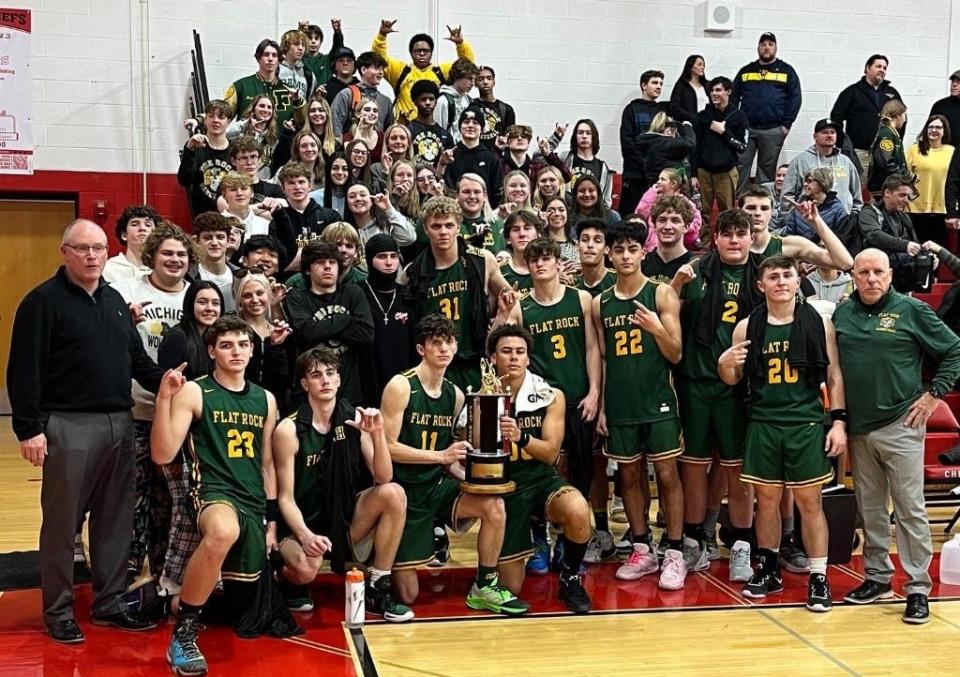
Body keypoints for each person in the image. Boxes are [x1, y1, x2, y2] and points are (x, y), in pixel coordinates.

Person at [7, 219, 163, 643]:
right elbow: (23, 371)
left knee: (115, 520)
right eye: (82, 249)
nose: (92, 256)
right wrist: (29, 429)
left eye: (97, 248)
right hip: (68, 425)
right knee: (62, 524)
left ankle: (110, 603)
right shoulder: (42, 302)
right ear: (65, 252)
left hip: (120, 422)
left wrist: (172, 380)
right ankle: (57, 610)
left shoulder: (114, 301)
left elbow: (138, 362)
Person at [834, 248, 960, 624]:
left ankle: (918, 587)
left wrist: (933, 393)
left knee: (909, 509)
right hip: (859, 427)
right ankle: (876, 577)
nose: (871, 279)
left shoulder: (911, 310)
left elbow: (955, 349)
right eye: (864, 272)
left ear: (890, 275)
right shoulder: (843, 312)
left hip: (902, 424)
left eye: (878, 272)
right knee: (871, 510)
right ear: (853, 275)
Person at [151, 316, 279, 674]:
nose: (236, 351)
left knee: (248, 607)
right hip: (212, 492)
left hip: (252, 499)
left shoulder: (265, 400)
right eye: (226, 345)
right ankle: (183, 636)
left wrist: (271, 521)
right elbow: (162, 454)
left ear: (253, 350)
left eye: (242, 344)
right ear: (212, 351)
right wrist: (163, 399)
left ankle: (178, 601)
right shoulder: (196, 391)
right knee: (223, 531)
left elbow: (267, 465)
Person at [718, 255, 847, 611]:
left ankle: (818, 576)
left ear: (796, 280)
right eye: (772, 276)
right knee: (768, 502)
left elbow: (833, 376)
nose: (780, 282)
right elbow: (732, 379)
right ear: (761, 285)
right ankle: (770, 566)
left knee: (810, 503)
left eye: (787, 275)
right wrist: (723, 365)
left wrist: (838, 421)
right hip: (762, 422)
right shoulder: (747, 326)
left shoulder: (818, 323)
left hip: (804, 424)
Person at [380, 315, 530, 614]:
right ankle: (383, 550)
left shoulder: (456, 394)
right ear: (422, 349)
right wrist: (441, 457)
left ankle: (484, 585)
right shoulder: (401, 386)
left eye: (449, 342)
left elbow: (452, 451)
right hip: (404, 491)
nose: (444, 349)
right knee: (407, 594)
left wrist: (470, 476)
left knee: (494, 504)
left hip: (437, 485)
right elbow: (388, 447)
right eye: (436, 343)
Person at [274, 346, 412, 621]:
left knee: (394, 494)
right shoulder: (289, 429)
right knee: (305, 569)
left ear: (339, 379)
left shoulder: (353, 418)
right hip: (300, 526)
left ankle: (378, 586)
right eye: (316, 375)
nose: (325, 380)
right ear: (305, 384)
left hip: (344, 521)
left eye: (330, 373)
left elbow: (383, 477)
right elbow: (285, 498)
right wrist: (305, 535)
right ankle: (284, 580)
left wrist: (377, 435)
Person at [493, 238, 602, 566]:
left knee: (580, 472)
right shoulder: (520, 306)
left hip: (579, 398)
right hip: (538, 403)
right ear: (527, 266)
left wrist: (595, 390)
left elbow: (592, 348)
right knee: (542, 468)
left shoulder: (581, 299)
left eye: (546, 259)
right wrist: (500, 312)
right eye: (534, 260)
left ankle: (570, 543)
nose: (540, 264)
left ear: (558, 263)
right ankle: (539, 537)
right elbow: (497, 346)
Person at [591, 219, 687, 589]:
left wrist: (656, 329)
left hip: (658, 400)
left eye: (633, 249)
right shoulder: (601, 303)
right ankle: (642, 547)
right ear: (609, 254)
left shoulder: (661, 295)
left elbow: (676, 353)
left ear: (643, 252)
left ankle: (675, 551)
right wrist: (599, 404)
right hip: (620, 403)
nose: (626, 255)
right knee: (628, 476)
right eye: (619, 249)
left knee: (666, 475)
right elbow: (599, 357)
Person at [675, 210, 764, 583]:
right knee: (694, 467)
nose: (733, 240)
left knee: (737, 470)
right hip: (695, 383)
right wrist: (676, 287)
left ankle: (742, 543)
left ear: (750, 238)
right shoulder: (695, 272)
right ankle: (696, 539)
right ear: (715, 238)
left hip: (740, 391)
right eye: (726, 234)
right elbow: (668, 315)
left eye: (739, 234)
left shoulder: (763, 276)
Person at [485, 323, 594, 613]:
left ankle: (570, 576)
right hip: (503, 487)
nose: (513, 358)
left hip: (540, 478)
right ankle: (519, 548)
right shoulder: (482, 395)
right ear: (493, 358)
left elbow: (549, 453)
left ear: (529, 359)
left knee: (579, 510)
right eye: (506, 351)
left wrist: (521, 436)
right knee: (511, 587)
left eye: (520, 352)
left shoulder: (550, 395)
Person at [111, 223, 197, 583]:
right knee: (132, 493)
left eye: (181, 254)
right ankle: (127, 568)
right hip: (138, 407)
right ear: (152, 256)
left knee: (170, 497)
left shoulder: (195, 295)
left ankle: (164, 570)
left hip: (180, 415)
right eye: (167, 253)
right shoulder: (127, 291)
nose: (175, 260)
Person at [401, 195, 515, 393]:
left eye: (449, 225)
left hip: (474, 360)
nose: (443, 232)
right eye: (436, 226)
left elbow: (511, 302)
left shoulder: (482, 260)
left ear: (458, 227)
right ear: (426, 229)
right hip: (433, 363)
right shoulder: (412, 273)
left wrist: (504, 312)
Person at [155, 281, 224, 596]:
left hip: (207, 439)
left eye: (215, 302)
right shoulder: (178, 337)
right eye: (202, 302)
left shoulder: (220, 341)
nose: (209, 308)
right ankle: (170, 581)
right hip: (179, 438)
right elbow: (167, 388)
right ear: (189, 304)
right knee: (185, 509)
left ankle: (203, 576)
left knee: (201, 510)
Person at [284, 240, 375, 406]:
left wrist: (321, 327)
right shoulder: (298, 297)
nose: (327, 267)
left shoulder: (352, 292)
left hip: (350, 393)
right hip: (310, 395)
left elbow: (366, 334)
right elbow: (306, 333)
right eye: (320, 262)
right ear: (307, 269)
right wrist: (346, 319)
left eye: (332, 262)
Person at [732, 32, 802, 192]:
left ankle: (761, 204)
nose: (766, 47)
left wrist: (786, 125)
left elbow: (795, 99)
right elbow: (734, 97)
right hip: (746, 130)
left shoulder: (786, 71)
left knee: (766, 171)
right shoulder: (746, 71)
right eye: (763, 44)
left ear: (776, 48)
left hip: (773, 129)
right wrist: (735, 123)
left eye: (770, 44)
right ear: (758, 48)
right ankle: (739, 205)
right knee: (740, 167)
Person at [373, 19, 477, 123]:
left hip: (432, 128)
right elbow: (379, 59)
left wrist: (460, 44)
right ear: (411, 53)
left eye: (426, 51)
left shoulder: (441, 72)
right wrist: (382, 36)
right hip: (404, 130)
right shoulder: (401, 71)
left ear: (431, 53)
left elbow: (467, 66)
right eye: (417, 51)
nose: (422, 54)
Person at [740, 184, 853, 271]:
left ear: (772, 212)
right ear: (739, 211)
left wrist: (816, 222)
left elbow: (845, 263)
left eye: (764, 208)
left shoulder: (789, 245)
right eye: (751, 208)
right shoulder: (729, 245)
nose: (757, 213)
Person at [359, 234, 418, 400]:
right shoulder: (357, 292)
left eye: (393, 256)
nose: (389, 262)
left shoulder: (407, 295)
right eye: (381, 257)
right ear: (370, 259)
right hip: (369, 379)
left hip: (403, 379)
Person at [831, 54, 904, 187]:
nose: (882, 70)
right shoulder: (852, 92)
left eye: (885, 67)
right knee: (859, 188)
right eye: (878, 66)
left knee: (883, 189)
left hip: (884, 154)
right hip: (859, 152)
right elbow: (836, 117)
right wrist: (843, 143)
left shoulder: (892, 93)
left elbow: (902, 118)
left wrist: (896, 143)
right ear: (867, 68)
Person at [780, 118, 863, 217]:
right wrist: (793, 219)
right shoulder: (800, 161)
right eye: (824, 132)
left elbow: (857, 195)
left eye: (833, 132)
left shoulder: (845, 162)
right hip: (810, 221)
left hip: (842, 221)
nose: (829, 135)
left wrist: (853, 216)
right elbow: (787, 196)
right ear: (815, 136)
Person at [271, 162, 342, 274]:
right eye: (291, 183)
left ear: (310, 185)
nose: (297, 187)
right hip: (287, 278)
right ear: (283, 188)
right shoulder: (277, 219)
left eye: (301, 182)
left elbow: (336, 253)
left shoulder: (331, 217)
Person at [233, 270, 292, 405]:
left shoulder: (281, 331)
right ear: (239, 301)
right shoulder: (233, 332)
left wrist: (276, 346)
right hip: (240, 404)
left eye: (260, 293)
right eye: (247, 295)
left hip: (275, 407)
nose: (255, 300)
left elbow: (285, 380)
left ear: (269, 295)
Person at [858, 174, 924, 292]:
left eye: (908, 196)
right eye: (902, 195)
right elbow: (874, 235)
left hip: (903, 281)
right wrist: (905, 245)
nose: (906, 200)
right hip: (876, 281)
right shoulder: (869, 212)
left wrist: (925, 257)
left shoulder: (904, 218)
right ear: (887, 193)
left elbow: (915, 245)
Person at [696, 76, 748, 219]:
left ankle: (726, 240)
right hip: (704, 171)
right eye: (712, 90)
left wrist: (724, 133)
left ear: (728, 92)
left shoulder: (739, 117)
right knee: (702, 213)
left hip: (726, 172)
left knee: (727, 213)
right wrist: (693, 174)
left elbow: (742, 147)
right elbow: (695, 146)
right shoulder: (703, 116)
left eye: (718, 90)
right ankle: (704, 242)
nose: (714, 93)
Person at [619, 69, 669, 215]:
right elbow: (627, 142)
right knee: (632, 215)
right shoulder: (631, 109)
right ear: (644, 85)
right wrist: (645, 163)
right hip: (635, 174)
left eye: (661, 83)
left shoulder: (664, 110)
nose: (659, 86)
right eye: (654, 82)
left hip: (657, 176)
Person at [224, 39, 302, 127]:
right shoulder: (241, 86)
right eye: (266, 54)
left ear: (279, 60)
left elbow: (303, 121)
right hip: (248, 139)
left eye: (274, 55)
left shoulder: (290, 90)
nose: (270, 59)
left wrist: (298, 102)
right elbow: (223, 116)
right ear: (258, 58)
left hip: (283, 140)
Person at [178, 100, 234, 216]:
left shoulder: (235, 149)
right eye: (211, 116)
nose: (215, 120)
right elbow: (184, 180)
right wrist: (190, 149)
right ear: (205, 120)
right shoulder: (195, 146)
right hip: (202, 218)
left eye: (221, 117)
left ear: (228, 122)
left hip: (230, 216)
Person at [905, 115, 955, 244]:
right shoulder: (914, 150)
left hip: (942, 209)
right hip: (915, 208)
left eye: (938, 127)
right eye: (930, 127)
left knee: (939, 251)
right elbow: (903, 176)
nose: (934, 130)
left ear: (945, 131)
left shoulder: (952, 151)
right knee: (916, 249)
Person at [442, 107, 504, 206]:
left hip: (485, 214)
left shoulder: (491, 157)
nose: (470, 125)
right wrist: (442, 164)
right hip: (455, 212)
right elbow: (445, 187)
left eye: (475, 122)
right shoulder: (450, 155)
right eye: (466, 122)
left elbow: (497, 193)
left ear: (482, 129)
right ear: (460, 127)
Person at [635, 168, 702, 252]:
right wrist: (651, 192)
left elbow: (696, 221)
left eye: (662, 179)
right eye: (658, 179)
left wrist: (682, 230)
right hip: (652, 248)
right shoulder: (653, 198)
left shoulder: (684, 201)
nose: (658, 182)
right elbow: (640, 213)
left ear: (673, 184)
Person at [331, 51, 394, 136]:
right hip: (349, 147)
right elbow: (336, 128)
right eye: (376, 68)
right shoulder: (347, 95)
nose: (381, 72)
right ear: (363, 70)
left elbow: (389, 133)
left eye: (382, 69)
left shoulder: (386, 101)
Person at [642, 195, 695, 294]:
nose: (667, 226)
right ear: (654, 224)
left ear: (686, 227)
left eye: (675, 220)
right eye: (662, 220)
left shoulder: (696, 267)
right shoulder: (642, 263)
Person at [557, 119, 613, 209]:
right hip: (567, 212)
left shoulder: (603, 168)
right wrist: (557, 136)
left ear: (593, 136)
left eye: (588, 133)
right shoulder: (564, 158)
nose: (584, 136)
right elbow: (540, 155)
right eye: (580, 132)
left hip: (592, 214)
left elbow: (606, 202)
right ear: (575, 136)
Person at [781, 167, 847, 241]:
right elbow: (788, 238)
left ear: (822, 183)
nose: (805, 184)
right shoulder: (800, 207)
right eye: (805, 181)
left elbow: (841, 240)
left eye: (809, 181)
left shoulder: (838, 210)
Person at [188, 212, 236, 311]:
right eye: (207, 238)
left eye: (220, 237)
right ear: (196, 241)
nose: (214, 243)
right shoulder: (186, 277)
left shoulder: (240, 276)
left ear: (228, 241)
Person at [344, 183, 416, 246]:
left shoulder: (387, 225)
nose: (358, 199)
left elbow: (409, 238)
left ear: (372, 200)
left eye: (363, 195)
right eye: (352, 196)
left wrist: (389, 209)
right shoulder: (345, 231)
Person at [103, 205, 160, 284]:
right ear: (124, 235)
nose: (142, 228)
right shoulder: (108, 269)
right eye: (134, 224)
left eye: (148, 225)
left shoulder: (162, 268)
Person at [227, 94, 279, 179]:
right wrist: (246, 126)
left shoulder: (272, 138)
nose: (266, 110)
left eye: (269, 107)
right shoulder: (240, 130)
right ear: (253, 109)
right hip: (241, 183)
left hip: (263, 184)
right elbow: (224, 134)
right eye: (262, 106)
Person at [638, 113, 696, 189]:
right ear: (667, 129)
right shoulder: (663, 143)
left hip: (657, 187)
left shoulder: (650, 142)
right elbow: (690, 144)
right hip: (668, 190)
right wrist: (687, 126)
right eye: (672, 128)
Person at [407, 80, 455, 166]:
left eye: (431, 99)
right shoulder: (408, 130)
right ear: (414, 101)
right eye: (423, 99)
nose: (428, 103)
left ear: (436, 101)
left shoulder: (445, 136)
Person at [868, 99, 910, 194]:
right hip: (883, 187)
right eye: (904, 115)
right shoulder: (887, 134)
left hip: (889, 185)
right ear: (897, 116)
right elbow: (886, 162)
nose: (905, 119)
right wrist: (904, 176)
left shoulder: (893, 133)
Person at [434, 58, 480, 144]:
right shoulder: (443, 101)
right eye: (469, 78)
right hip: (450, 150)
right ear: (457, 76)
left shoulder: (469, 100)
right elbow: (438, 132)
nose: (473, 83)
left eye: (474, 79)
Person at [498, 210, 542, 298]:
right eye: (516, 230)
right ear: (508, 239)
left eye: (527, 228)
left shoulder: (552, 270)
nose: (522, 234)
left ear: (538, 234)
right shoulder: (499, 272)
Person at [220, 171, 271, 242]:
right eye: (233, 190)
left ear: (252, 193)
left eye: (244, 188)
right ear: (224, 195)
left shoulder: (265, 224)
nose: (239, 193)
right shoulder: (217, 224)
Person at [474, 66, 516, 149]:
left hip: (497, 155)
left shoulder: (506, 109)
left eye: (489, 78)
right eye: (481, 79)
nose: (485, 82)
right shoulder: (470, 105)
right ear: (475, 83)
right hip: (475, 154)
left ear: (494, 82)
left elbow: (510, 138)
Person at [573, 218, 617, 297]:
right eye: (585, 239)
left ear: (607, 249)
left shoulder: (618, 281)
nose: (590, 245)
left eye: (597, 240)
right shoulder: (572, 285)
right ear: (577, 246)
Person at [298, 18, 344, 86]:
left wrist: (337, 32)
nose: (313, 41)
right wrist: (299, 34)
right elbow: (291, 49)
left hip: (325, 95)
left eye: (316, 38)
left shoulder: (326, 60)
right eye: (310, 38)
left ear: (321, 41)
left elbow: (337, 48)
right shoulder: (299, 59)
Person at [278, 30, 316, 105]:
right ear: (286, 46)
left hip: (301, 114)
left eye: (303, 45)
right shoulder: (276, 70)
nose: (301, 48)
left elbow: (309, 102)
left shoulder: (309, 75)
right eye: (296, 44)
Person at [670, 54, 709, 124]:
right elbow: (674, 107)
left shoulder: (707, 85)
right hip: (689, 124)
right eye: (699, 65)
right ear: (690, 67)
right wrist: (692, 117)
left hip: (706, 124)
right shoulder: (681, 85)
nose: (702, 67)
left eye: (703, 65)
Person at [929, 70, 960, 149]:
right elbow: (929, 131)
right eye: (953, 81)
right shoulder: (940, 106)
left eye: (958, 81)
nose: (954, 84)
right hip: (944, 154)